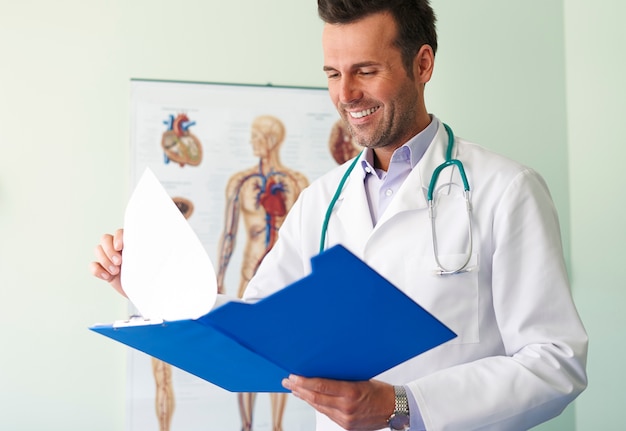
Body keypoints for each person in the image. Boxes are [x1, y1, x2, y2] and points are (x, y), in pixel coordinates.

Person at [91, 1, 588, 430]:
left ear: (423, 64)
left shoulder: (506, 190)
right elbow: (256, 331)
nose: (346, 94)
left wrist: (403, 405)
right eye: (333, 73)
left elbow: (555, 363)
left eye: (366, 71)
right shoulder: (320, 201)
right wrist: (151, 283)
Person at [217, 115, 309, 431]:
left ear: (271, 139)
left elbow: (311, 242)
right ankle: (246, 425)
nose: (252, 142)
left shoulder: (298, 184)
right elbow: (229, 234)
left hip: (289, 283)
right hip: (249, 273)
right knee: (245, 354)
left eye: (257, 136)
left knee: (281, 358)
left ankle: (278, 426)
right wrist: (218, 276)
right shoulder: (240, 184)